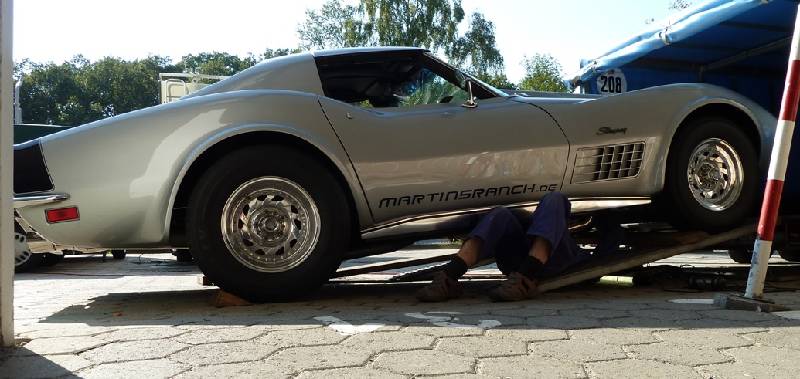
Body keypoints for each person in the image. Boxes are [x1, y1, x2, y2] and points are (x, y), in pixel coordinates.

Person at [416, 191, 623, 302]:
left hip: (557, 263)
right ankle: (448, 277)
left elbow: (606, 254)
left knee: (555, 198)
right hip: (517, 259)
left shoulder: (589, 251)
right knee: (500, 214)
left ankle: (525, 279)